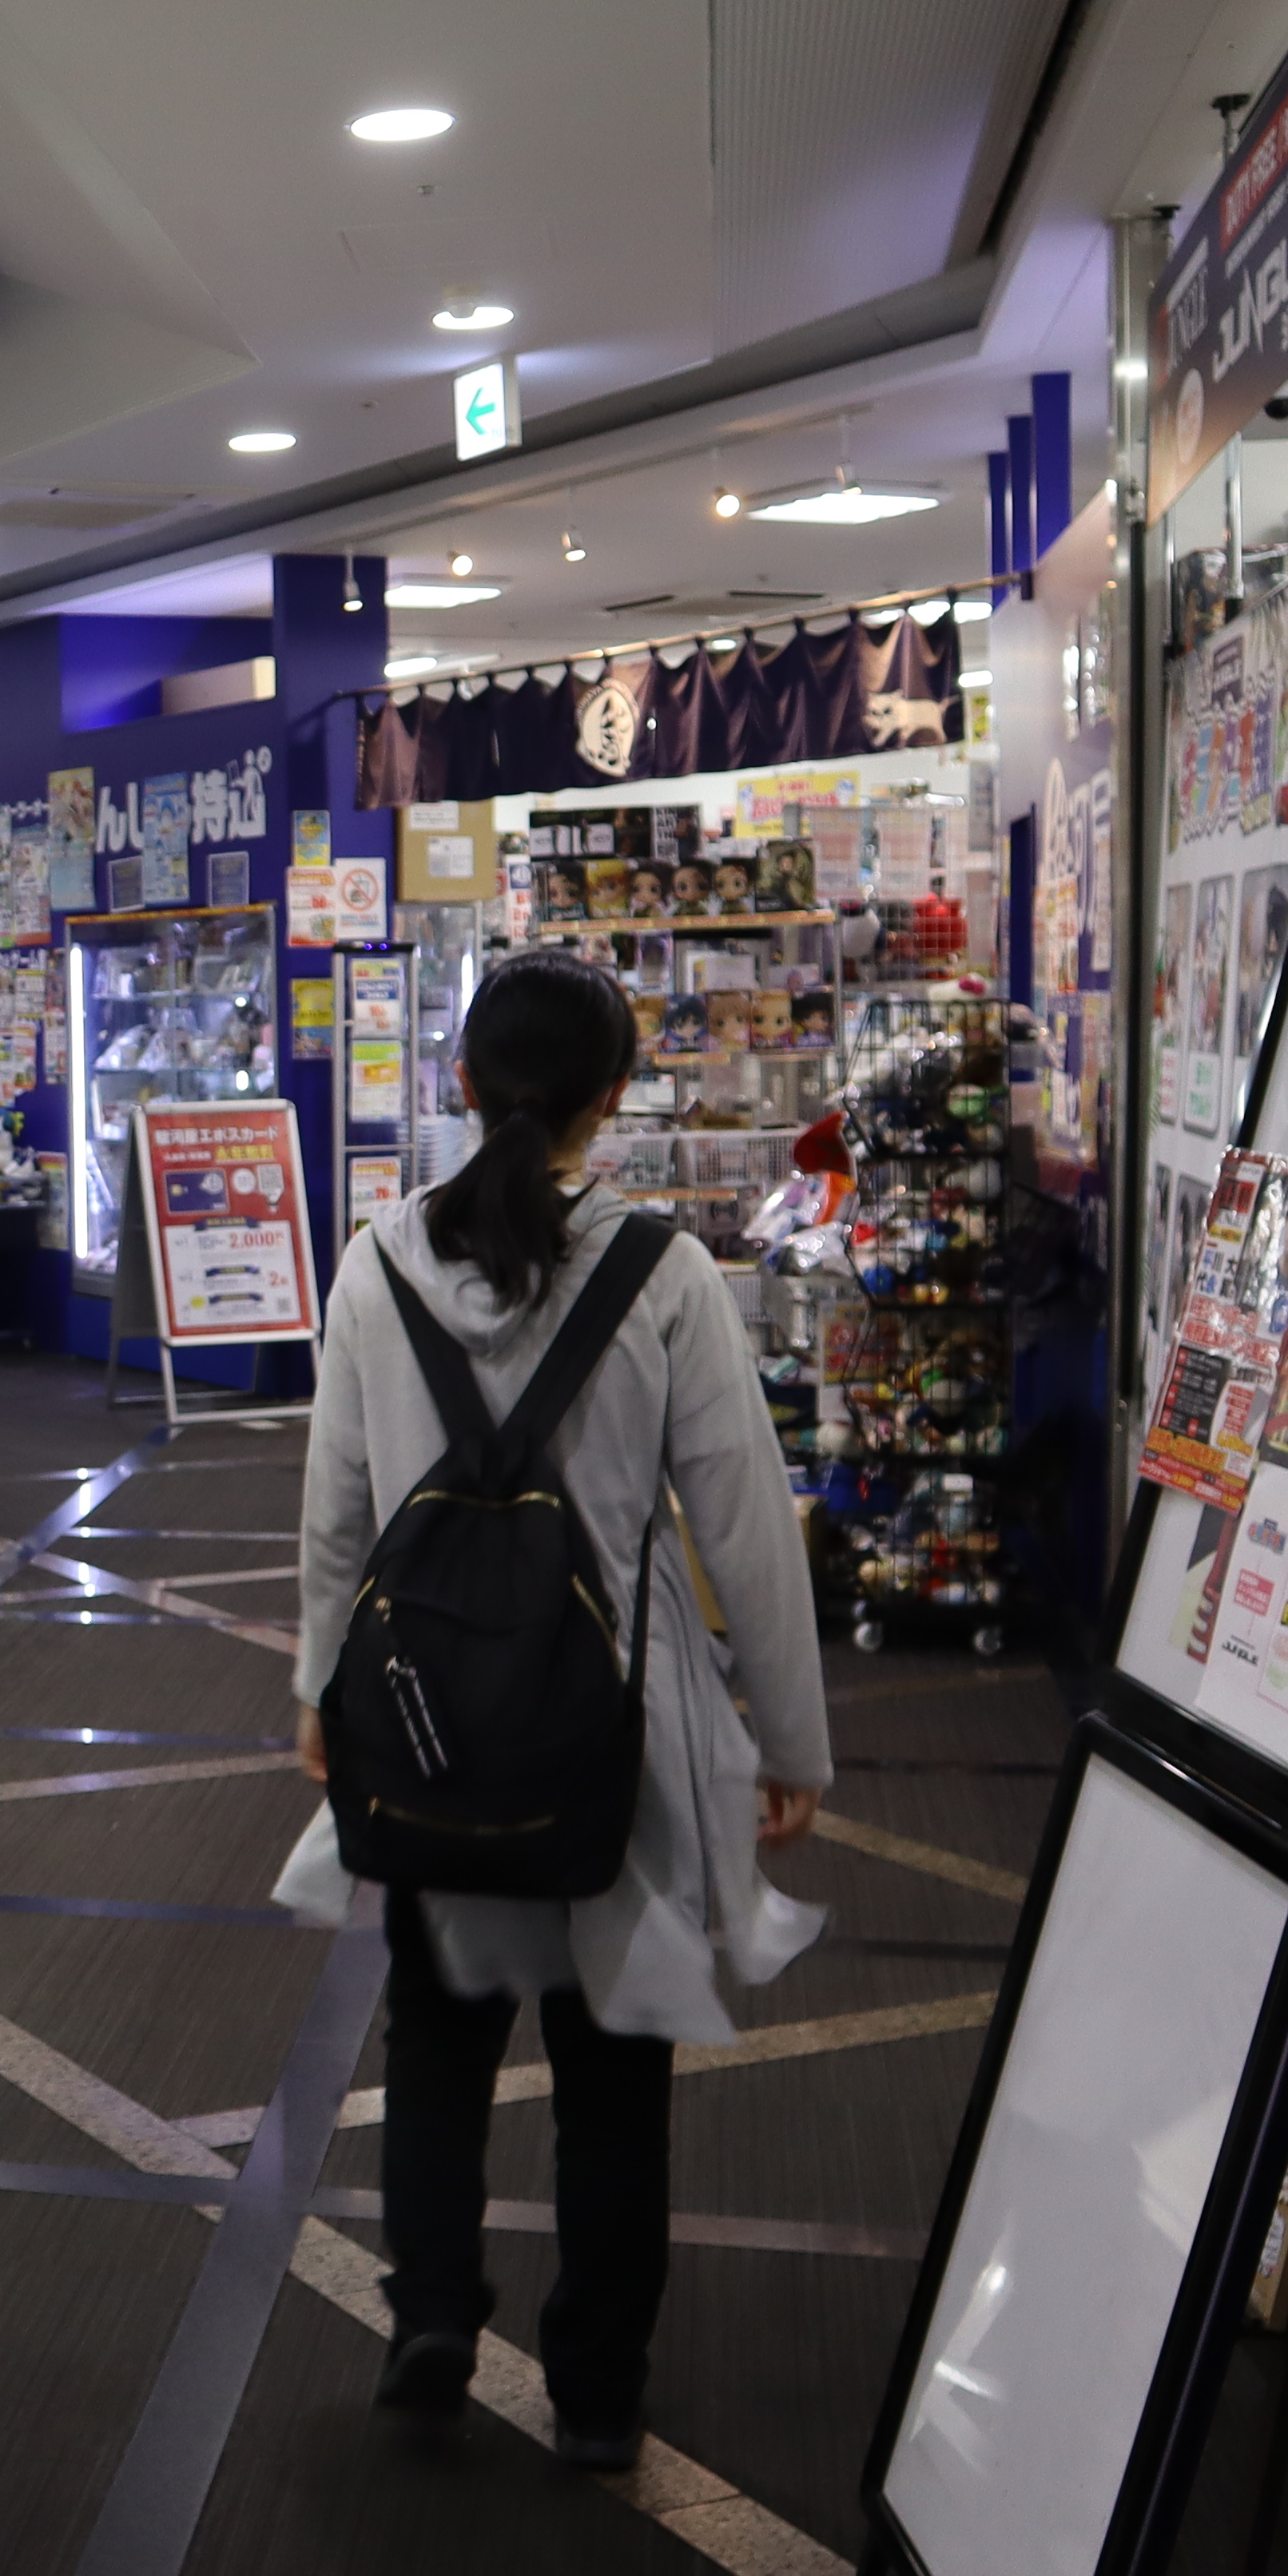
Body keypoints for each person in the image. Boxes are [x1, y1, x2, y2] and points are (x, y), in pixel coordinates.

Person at [292, 950, 833, 2471]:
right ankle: (596, 2381)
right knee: (611, 2067)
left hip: (422, 1720)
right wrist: (787, 1743)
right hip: (616, 1733)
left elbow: (338, 1514)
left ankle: (432, 2318)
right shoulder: (663, 1275)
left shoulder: (379, 1263)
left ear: (463, 1084)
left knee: (439, 2035)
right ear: (618, 1093)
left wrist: (320, 1694)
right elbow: (743, 1531)